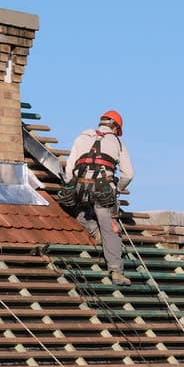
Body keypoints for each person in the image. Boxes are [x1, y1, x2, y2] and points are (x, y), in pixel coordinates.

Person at [59, 111, 134, 286]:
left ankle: (93, 230)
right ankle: (116, 271)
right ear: (115, 127)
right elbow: (128, 174)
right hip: (103, 189)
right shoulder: (117, 142)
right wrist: (118, 189)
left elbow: (69, 172)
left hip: (80, 187)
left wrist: (72, 188)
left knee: (70, 205)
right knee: (109, 227)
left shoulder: (81, 138)